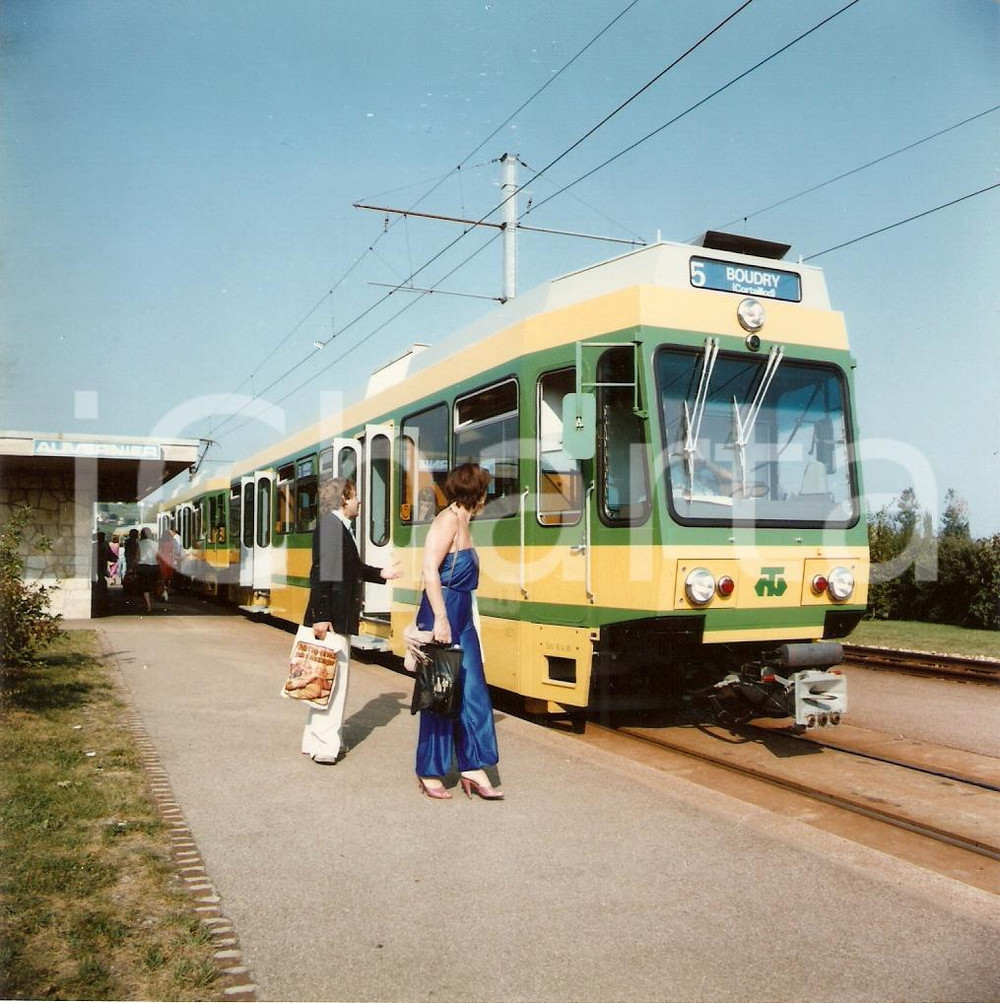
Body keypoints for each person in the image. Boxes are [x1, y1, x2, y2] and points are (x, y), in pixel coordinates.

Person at [413, 462, 503, 801]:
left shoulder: (464, 520)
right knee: (441, 692)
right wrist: (439, 618)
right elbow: (429, 570)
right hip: (443, 611)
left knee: (474, 691)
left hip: (462, 615)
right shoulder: (447, 520)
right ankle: (429, 770)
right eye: (486, 492)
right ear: (477, 494)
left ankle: (472, 766)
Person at [301, 478, 400, 765]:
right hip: (331, 618)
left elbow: (351, 568)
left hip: (332, 616)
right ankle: (326, 747)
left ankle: (314, 740)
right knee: (333, 683)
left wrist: (382, 573)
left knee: (322, 681)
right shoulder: (333, 527)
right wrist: (321, 617)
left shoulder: (337, 527)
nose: (359, 502)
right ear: (344, 499)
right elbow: (321, 574)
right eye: (356, 496)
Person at [135, 527, 160, 614]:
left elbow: (137, 556)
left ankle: (148, 605)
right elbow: (158, 556)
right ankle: (153, 603)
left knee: (144, 587)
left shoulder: (139, 543)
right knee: (152, 585)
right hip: (154, 566)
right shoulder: (156, 544)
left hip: (143, 567)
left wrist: (133, 566)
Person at [157, 525, 176, 601]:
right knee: (169, 575)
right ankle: (168, 588)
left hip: (162, 558)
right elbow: (173, 551)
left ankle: (163, 588)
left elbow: (159, 550)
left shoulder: (160, 541)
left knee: (162, 575)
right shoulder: (171, 541)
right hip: (169, 558)